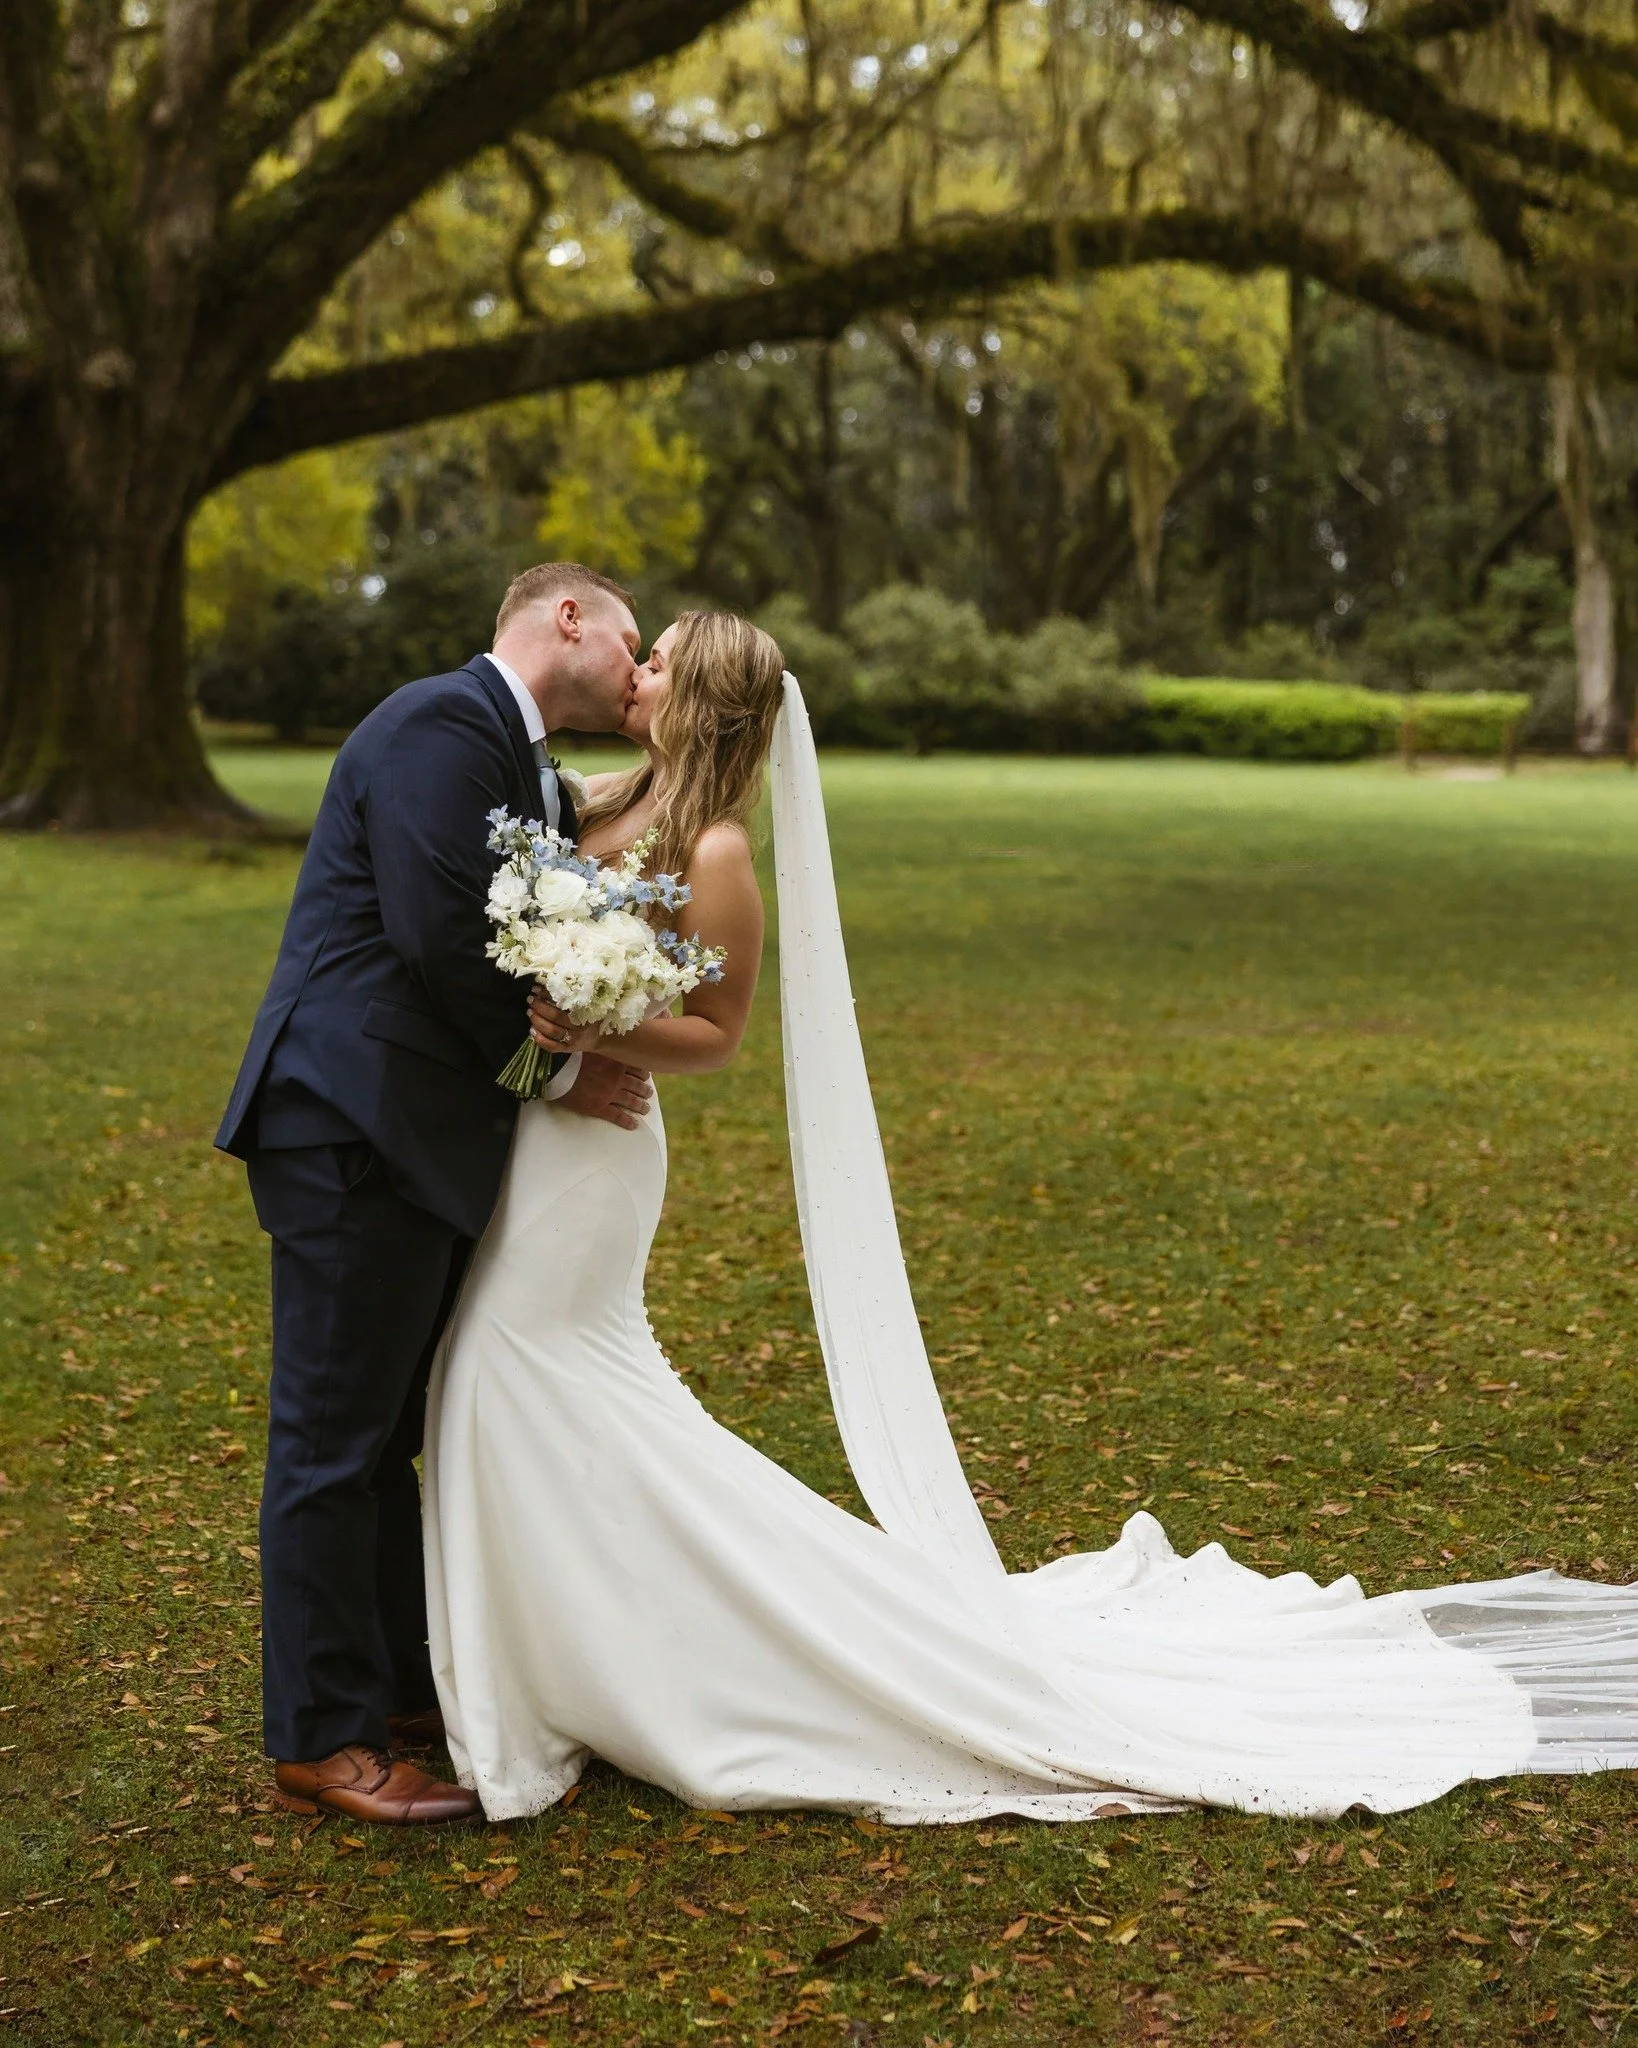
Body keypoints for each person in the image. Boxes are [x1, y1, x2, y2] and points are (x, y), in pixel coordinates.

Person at [424, 612, 1638, 1825]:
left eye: (661, 662)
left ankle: (644, 1651)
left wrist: (595, 1030)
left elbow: (717, 1035)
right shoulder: (589, 798)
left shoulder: (722, 852)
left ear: (701, 703)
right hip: (544, 1131)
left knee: (519, 1364)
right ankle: (572, 1640)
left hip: (601, 1156)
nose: (635, 672)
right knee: (517, 1376)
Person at [217, 563, 655, 1825]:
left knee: (382, 1428)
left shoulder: (514, 761)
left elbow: (579, 846)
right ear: (564, 615)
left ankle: (400, 1683)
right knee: (332, 1436)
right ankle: (321, 1739)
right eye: (629, 640)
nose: (634, 667)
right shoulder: (438, 724)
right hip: (351, 1120)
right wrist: (556, 1070)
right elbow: (438, 933)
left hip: (410, 1129)